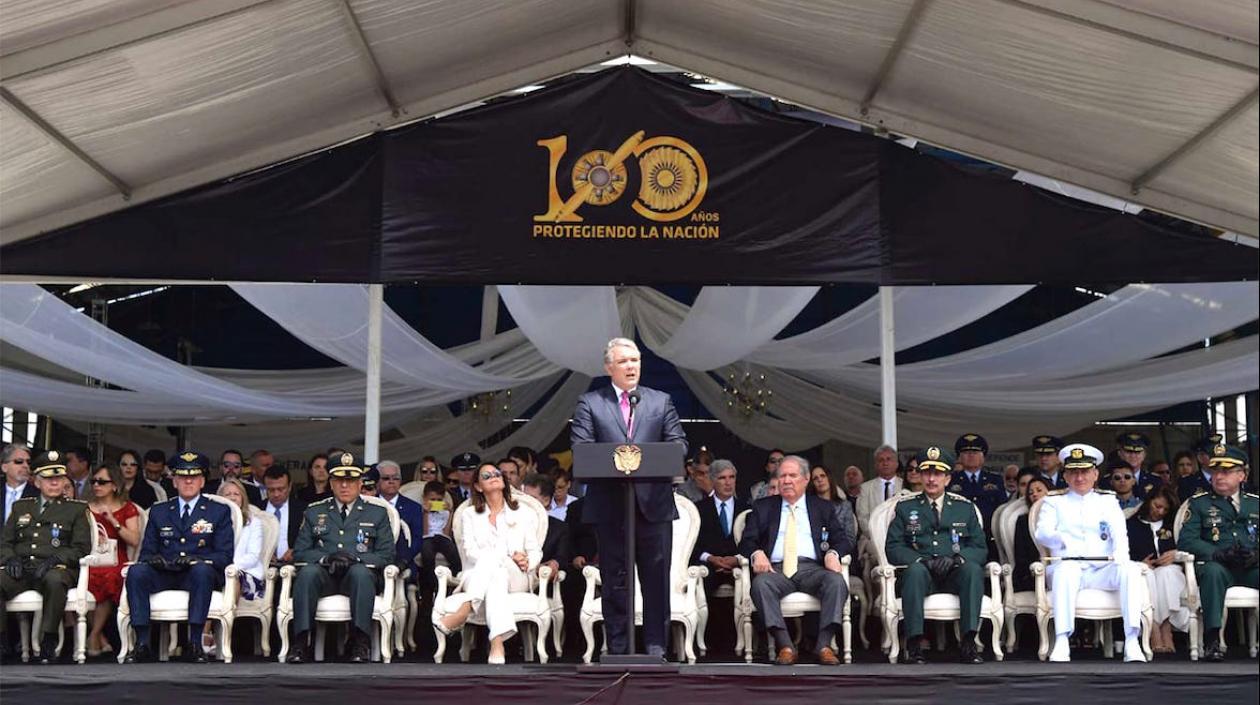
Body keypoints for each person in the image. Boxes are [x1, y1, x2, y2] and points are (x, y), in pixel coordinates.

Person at [570, 337, 687, 661]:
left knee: (655, 581)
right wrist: (621, 458)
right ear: (609, 367)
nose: (631, 366)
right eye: (623, 361)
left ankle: (656, 648)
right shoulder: (590, 403)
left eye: (635, 360)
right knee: (615, 581)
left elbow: (679, 445)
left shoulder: (660, 401)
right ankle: (619, 648)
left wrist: (641, 457)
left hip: (653, 507)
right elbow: (581, 449)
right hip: (610, 507)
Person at [1034, 443, 1147, 662]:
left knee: (1131, 570)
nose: (1079, 477)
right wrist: (1062, 538)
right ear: (1065, 476)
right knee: (1065, 572)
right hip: (1068, 566)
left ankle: (1132, 640)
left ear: (1095, 475)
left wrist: (1121, 558)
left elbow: (1119, 534)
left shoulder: (1108, 500)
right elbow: (1042, 533)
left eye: (1085, 472)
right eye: (1074, 472)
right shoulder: (1053, 502)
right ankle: (1062, 640)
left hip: (1102, 568)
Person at [739, 455, 853, 665]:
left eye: (792, 475)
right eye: (782, 476)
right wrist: (756, 553)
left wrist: (833, 553)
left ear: (806, 479)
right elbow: (746, 541)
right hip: (775, 570)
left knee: (836, 582)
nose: (786, 481)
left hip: (812, 569)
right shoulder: (763, 506)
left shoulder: (822, 507)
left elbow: (842, 540)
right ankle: (785, 646)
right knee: (760, 585)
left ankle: (824, 645)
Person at [123, 451, 234, 664]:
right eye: (182, 477)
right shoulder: (160, 511)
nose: (188, 481)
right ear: (174, 481)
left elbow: (224, 555)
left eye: (194, 477)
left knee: (202, 571)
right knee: (137, 572)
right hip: (165, 573)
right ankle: (142, 643)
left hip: (196, 575)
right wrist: (154, 560)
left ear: (202, 481)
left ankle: (195, 643)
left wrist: (196, 560)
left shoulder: (218, 511)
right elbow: (147, 552)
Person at [287, 453, 395, 663]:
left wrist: (355, 558)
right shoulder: (314, 512)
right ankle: (300, 643)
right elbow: (300, 552)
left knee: (360, 573)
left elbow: (386, 554)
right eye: (339, 480)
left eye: (351, 480)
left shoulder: (377, 513)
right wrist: (326, 558)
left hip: (358, 580)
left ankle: (360, 643)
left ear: (360, 483)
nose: (345, 485)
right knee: (307, 572)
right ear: (331, 483)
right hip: (325, 577)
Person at [886, 447, 988, 664]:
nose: (931, 479)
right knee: (914, 571)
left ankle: (968, 642)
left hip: (954, 573)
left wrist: (957, 559)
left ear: (948, 478)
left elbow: (980, 548)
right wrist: (921, 560)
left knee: (972, 569)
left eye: (938, 474)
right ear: (920, 476)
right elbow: (893, 547)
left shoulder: (964, 508)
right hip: (923, 575)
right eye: (926, 473)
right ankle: (914, 644)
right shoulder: (906, 508)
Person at [434, 462, 541, 664]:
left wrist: (527, 561)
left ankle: (465, 609)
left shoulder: (523, 513)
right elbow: (470, 552)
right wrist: (505, 556)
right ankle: (497, 642)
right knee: (495, 572)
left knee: (494, 564)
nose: (493, 477)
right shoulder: (469, 514)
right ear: (478, 486)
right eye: (486, 476)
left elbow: (535, 551)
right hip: (478, 573)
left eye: (496, 473)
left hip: (516, 575)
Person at [0, 451, 93, 663]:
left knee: (55, 580)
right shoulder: (21, 507)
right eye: (49, 478)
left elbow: (81, 548)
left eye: (58, 478)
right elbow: (5, 542)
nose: (54, 483)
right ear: (37, 481)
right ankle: (2, 642)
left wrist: (55, 559)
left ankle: (49, 640)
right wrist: (10, 558)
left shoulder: (76, 509)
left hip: (55, 568)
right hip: (23, 568)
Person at [1175, 444, 1258, 662]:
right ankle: (1212, 640)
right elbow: (1186, 541)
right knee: (1211, 572)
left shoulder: (1255, 503)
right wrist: (1218, 553)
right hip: (1220, 566)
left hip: (1250, 566)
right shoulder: (1199, 503)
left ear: (1242, 475)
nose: (1219, 476)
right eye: (1215, 471)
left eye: (1226, 472)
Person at [85, 463, 141, 658]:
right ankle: (98, 637)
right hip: (89, 559)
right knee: (83, 578)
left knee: (110, 578)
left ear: (115, 485)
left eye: (102, 482)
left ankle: (94, 634)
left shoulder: (128, 508)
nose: (96, 485)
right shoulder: (84, 508)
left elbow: (134, 540)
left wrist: (113, 521)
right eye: (93, 481)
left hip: (115, 561)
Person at [204, 478, 265, 656]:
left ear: (243, 498)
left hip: (245, 573)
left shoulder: (253, 522)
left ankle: (219, 634)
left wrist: (229, 567)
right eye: (227, 494)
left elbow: (253, 556)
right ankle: (205, 634)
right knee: (204, 577)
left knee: (232, 578)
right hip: (216, 570)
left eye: (236, 494)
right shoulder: (209, 521)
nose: (232, 497)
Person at [1127, 486, 1187, 654]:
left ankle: (1165, 628)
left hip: (1169, 572)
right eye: (1157, 506)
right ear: (1149, 502)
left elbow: (1188, 547)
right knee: (1146, 575)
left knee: (1166, 574)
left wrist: (1175, 554)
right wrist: (1139, 563)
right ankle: (1153, 628)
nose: (1160, 512)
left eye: (1165, 509)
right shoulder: (1131, 524)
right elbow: (1122, 553)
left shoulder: (1174, 524)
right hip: (1141, 570)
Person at [691, 460, 750, 595]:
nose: (728, 483)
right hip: (708, 567)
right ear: (712, 481)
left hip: (739, 565)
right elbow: (692, 544)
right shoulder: (698, 509)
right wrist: (710, 558)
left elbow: (752, 541)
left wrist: (736, 559)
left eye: (731, 477)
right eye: (722, 478)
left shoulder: (747, 509)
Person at [374, 461, 423, 577]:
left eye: (395, 478)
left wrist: (404, 560)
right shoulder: (370, 504)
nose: (391, 481)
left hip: (404, 562)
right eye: (386, 478)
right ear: (377, 481)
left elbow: (417, 539)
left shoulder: (413, 507)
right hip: (375, 561)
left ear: (400, 481)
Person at [522, 473, 570, 584]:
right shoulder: (511, 523)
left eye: (532, 499)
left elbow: (562, 558)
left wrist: (554, 563)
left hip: (543, 582)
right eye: (523, 498)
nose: (526, 503)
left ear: (546, 500)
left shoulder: (560, 528)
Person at [416, 480, 460, 591]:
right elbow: (425, 532)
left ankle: (454, 582)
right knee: (427, 553)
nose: (435, 502)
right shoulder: (419, 511)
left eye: (439, 500)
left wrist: (450, 513)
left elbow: (446, 533)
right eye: (432, 500)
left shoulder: (444, 511)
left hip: (442, 537)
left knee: (453, 552)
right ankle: (431, 584)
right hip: (428, 537)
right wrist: (426, 513)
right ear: (424, 498)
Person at [1012, 477, 1052, 593]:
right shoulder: (1023, 521)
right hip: (1031, 573)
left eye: (1039, 490)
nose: (1034, 494)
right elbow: (1020, 556)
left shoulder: (1061, 516)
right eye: (1030, 493)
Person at [262, 466, 307, 564]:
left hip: (294, 565)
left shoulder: (304, 510)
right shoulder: (256, 510)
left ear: (290, 487)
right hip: (262, 565)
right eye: (271, 490)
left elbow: (310, 540)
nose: (276, 494)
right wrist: (262, 553)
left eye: (281, 489)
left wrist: (296, 551)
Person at [857, 445, 902, 536]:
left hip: (901, 537)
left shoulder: (904, 486)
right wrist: (877, 536)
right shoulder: (866, 488)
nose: (885, 463)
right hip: (873, 537)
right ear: (875, 465)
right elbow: (862, 517)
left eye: (889, 459)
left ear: (896, 464)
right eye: (881, 460)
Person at [1107, 431, 1163, 500]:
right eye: (1128, 451)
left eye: (1138, 452)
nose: (1133, 456)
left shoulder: (1155, 481)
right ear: (1119, 453)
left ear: (1144, 455)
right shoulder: (1107, 481)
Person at [2, 443, 38, 526]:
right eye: (19, 461)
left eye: (28, 462)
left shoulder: (38, 496)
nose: (25, 466)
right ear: (4, 467)